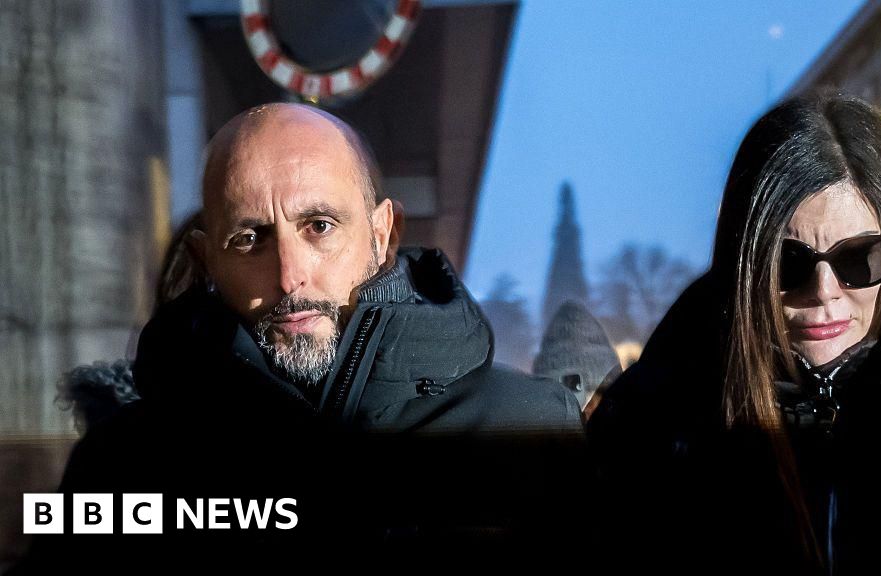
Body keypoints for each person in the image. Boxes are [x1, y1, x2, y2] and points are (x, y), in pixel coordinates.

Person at [17, 103, 583, 573]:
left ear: (383, 234)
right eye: (249, 239)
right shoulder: (121, 466)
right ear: (206, 260)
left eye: (320, 226)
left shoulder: (532, 428)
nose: (290, 277)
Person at [587, 92, 881, 573]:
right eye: (787, 261)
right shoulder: (656, 422)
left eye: (859, 257)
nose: (823, 291)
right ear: (745, 264)